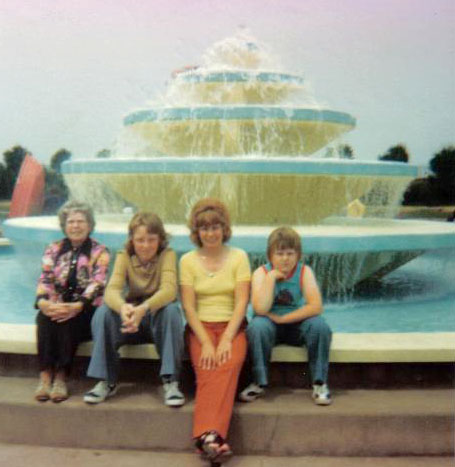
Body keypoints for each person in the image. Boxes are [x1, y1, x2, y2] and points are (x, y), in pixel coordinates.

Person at [84, 211, 185, 407]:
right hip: (130, 322)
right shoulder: (124, 256)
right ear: (132, 239)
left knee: (172, 311)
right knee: (103, 312)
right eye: (140, 240)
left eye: (151, 239)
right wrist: (124, 309)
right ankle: (106, 381)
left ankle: (171, 381)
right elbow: (111, 291)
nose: (145, 245)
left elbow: (170, 290)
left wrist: (144, 309)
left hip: (156, 319)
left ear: (160, 239)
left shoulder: (168, 255)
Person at [179, 198, 251, 463]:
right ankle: (213, 437)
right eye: (204, 228)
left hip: (232, 328)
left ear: (224, 228)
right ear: (197, 232)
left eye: (215, 227)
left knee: (227, 363)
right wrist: (207, 342)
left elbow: (242, 302)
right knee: (208, 368)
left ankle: (207, 437)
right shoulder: (187, 260)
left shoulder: (239, 257)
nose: (210, 233)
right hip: (200, 330)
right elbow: (188, 306)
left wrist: (227, 338)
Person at [240, 226, 333, 405]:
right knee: (256, 327)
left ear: (298, 255)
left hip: (296, 324)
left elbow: (315, 306)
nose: (285, 259)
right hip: (269, 326)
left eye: (290, 253)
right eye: (280, 253)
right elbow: (260, 308)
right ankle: (258, 381)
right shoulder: (261, 273)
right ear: (270, 256)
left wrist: (283, 319)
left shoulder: (305, 272)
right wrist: (271, 279)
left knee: (320, 326)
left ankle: (319, 382)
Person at [34, 200, 110, 402]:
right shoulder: (54, 249)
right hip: (57, 305)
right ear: (64, 225)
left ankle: (60, 377)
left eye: (81, 221)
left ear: (89, 225)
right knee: (43, 318)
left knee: (68, 321)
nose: (75, 226)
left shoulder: (100, 251)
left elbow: (98, 283)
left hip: (86, 310)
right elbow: (45, 278)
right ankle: (45, 376)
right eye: (71, 221)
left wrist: (77, 306)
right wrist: (43, 302)